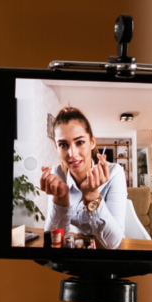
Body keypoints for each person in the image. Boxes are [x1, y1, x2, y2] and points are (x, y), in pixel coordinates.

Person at [39, 106, 128, 249]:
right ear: (57, 147)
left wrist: (92, 196)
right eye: (63, 145)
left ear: (92, 142)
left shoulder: (114, 173)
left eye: (79, 142)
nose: (72, 153)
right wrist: (60, 200)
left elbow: (114, 244)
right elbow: (53, 242)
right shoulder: (58, 174)